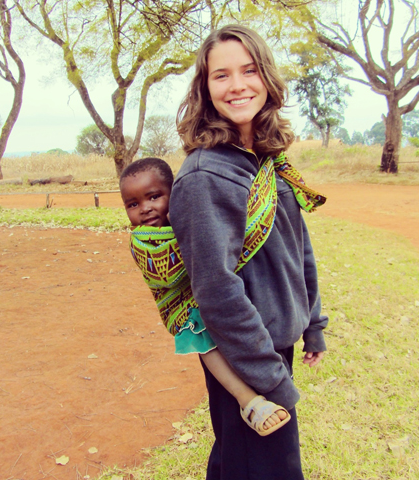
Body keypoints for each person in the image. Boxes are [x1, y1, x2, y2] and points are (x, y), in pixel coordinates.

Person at [170, 24, 329, 479]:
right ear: (205, 88)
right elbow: (216, 290)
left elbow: (298, 249)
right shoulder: (206, 176)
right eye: (221, 75)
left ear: (267, 78)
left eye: (249, 70)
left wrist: (313, 322)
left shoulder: (265, 161)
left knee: (237, 467)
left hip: (273, 348)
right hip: (247, 363)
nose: (237, 85)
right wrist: (267, 379)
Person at [120, 156, 291, 436]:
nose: (146, 208)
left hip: (207, 299)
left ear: (175, 193)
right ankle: (248, 401)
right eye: (133, 204)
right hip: (182, 310)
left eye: (154, 197)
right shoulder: (142, 239)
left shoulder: (186, 217)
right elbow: (169, 273)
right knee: (206, 343)